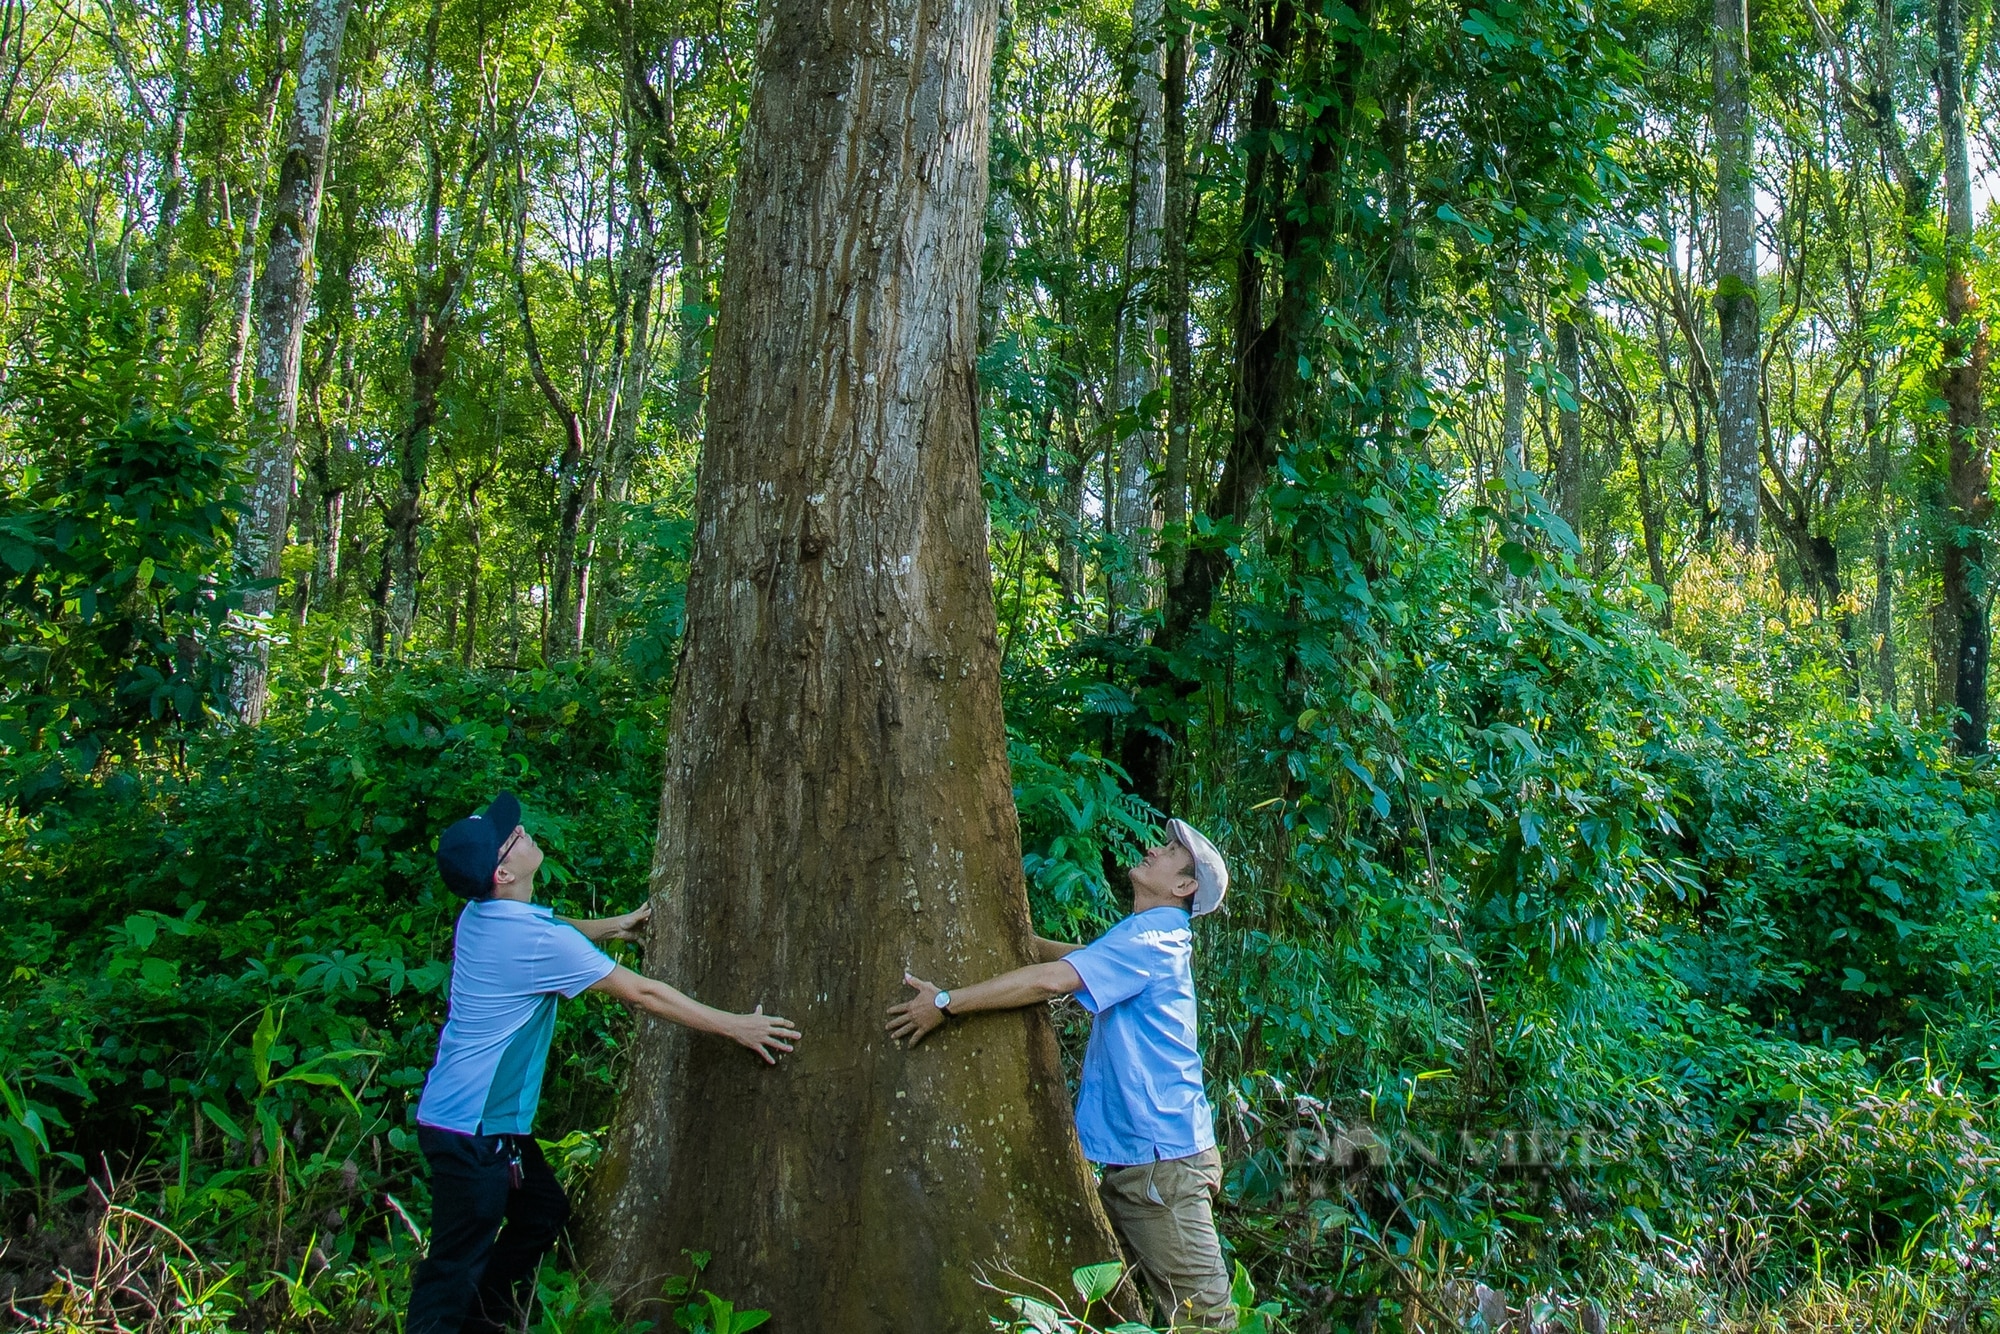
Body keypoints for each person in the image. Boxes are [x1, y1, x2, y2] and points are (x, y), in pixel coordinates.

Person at [406, 792, 801, 1334]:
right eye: (512, 837)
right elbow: (644, 994)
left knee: (541, 1212)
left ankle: (483, 1317)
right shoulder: (528, 939)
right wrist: (737, 1026)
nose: (522, 831)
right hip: (470, 1132)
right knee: (452, 1265)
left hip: (480, 1123)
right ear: (501, 872)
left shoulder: (482, 915)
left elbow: (553, 927)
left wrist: (613, 926)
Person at [886, 818, 1232, 1329]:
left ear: (1184, 886)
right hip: (1152, 1162)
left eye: (1169, 851)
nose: (1153, 850)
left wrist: (945, 1003)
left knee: (1214, 1323)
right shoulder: (1149, 938)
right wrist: (1010, 934)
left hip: (1164, 1167)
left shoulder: (1152, 940)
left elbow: (1052, 981)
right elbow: (1079, 960)